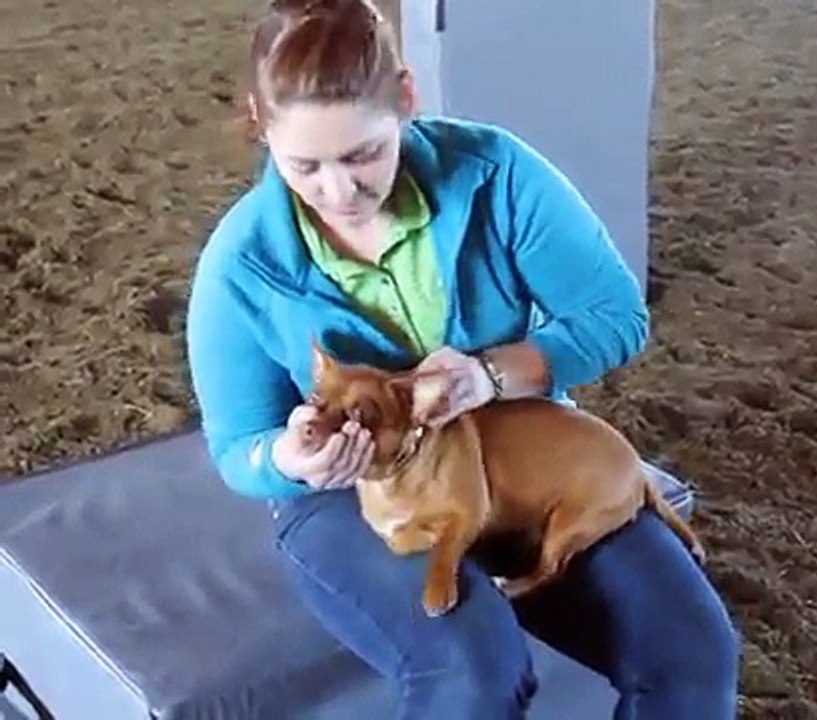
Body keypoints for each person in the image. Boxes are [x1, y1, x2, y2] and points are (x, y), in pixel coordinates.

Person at [185, 1, 740, 718]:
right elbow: (238, 446)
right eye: (305, 167)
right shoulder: (240, 263)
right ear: (260, 125)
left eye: (364, 155)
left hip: (514, 455)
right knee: (473, 669)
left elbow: (615, 317)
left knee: (692, 654)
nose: (339, 192)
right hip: (354, 490)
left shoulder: (496, 174)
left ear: (406, 98)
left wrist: (490, 374)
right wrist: (290, 461)